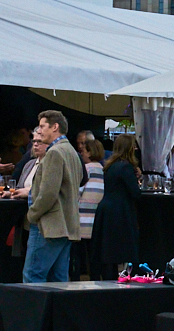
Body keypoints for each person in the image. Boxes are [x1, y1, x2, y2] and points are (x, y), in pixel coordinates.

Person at [24, 110, 83, 283]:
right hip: (67, 225)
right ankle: (57, 312)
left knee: (33, 276)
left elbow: (48, 193)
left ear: (55, 127)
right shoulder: (71, 151)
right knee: (59, 281)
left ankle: (34, 311)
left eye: (43, 126)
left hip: (48, 226)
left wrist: (32, 215)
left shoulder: (54, 153)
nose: (39, 130)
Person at [92, 134, 142, 280]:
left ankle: (108, 278)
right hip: (120, 212)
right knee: (119, 250)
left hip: (106, 209)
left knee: (108, 250)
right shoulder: (126, 167)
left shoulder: (110, 166)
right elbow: (135, 193)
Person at [72, 138, 106, 280]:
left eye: (83, 151)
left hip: (82, 217)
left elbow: (77, 191)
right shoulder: (104, 170)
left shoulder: (85, 169)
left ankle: (75, 280)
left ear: (90, 152)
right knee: (94, 255)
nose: (81, 154)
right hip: (96, 218)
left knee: (77, 255)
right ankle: (95, 279)